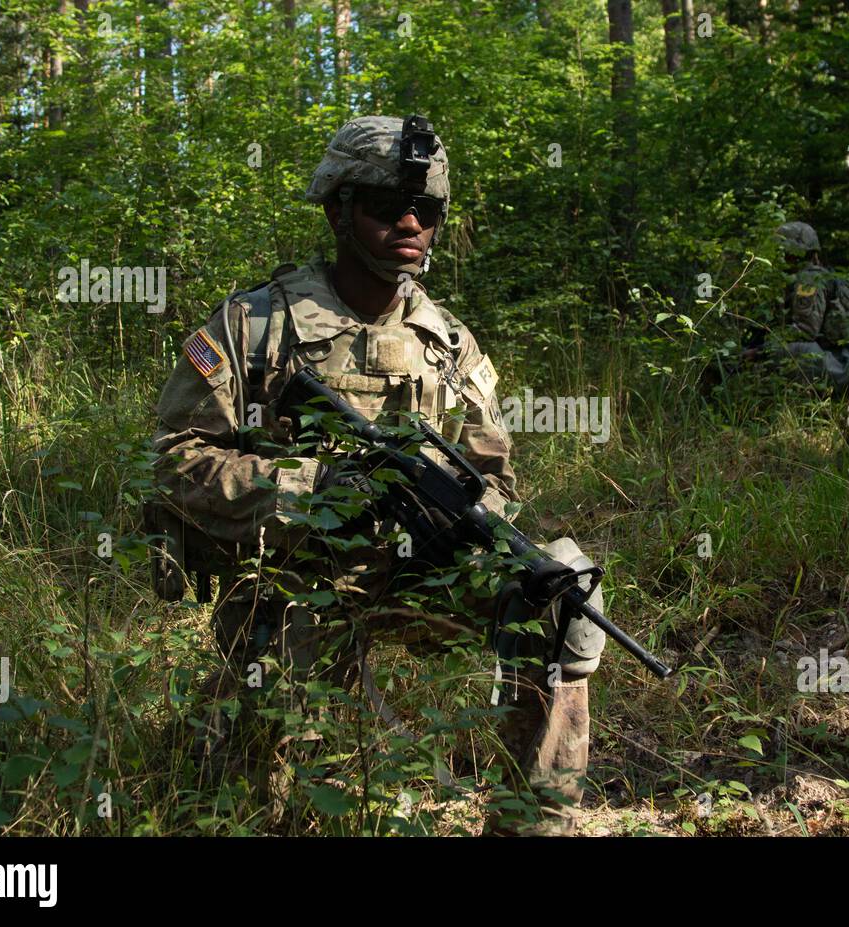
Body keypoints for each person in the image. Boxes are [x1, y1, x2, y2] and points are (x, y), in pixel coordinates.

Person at [146, 114, 605, 835]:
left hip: (420, 569)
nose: (412, 223)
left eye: (428, 210)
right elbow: (171, 458)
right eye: (389, 207)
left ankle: (531, 823)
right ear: (338, 210)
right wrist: (308, 488)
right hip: (292, 576)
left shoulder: (447, 341)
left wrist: (467, 518)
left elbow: (494, 475)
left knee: (564, 601)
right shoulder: (256, 325)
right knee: (258, 791)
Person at [743, 221, 849, 391]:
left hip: (843, 364)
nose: (781, 257)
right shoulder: (813, 276)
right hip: (841, 358)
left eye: (784, 251)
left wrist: (761, 352)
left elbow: (805, 331)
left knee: (788, 351)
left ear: (794, 252)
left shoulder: (809, 280)